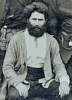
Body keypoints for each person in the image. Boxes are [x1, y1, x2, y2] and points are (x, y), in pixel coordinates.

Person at [3, 2, 70, 100]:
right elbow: (7, 66)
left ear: (45, 21)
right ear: (27, 20)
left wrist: (64, 81)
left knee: (65, 93)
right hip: (22, 78)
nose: (37, 24)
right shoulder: (16, 39)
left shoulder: (51, 41)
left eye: (40, 20)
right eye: (34, 19)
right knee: (14, 96)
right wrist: (17, 83)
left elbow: (58, 65)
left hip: (45, 81)